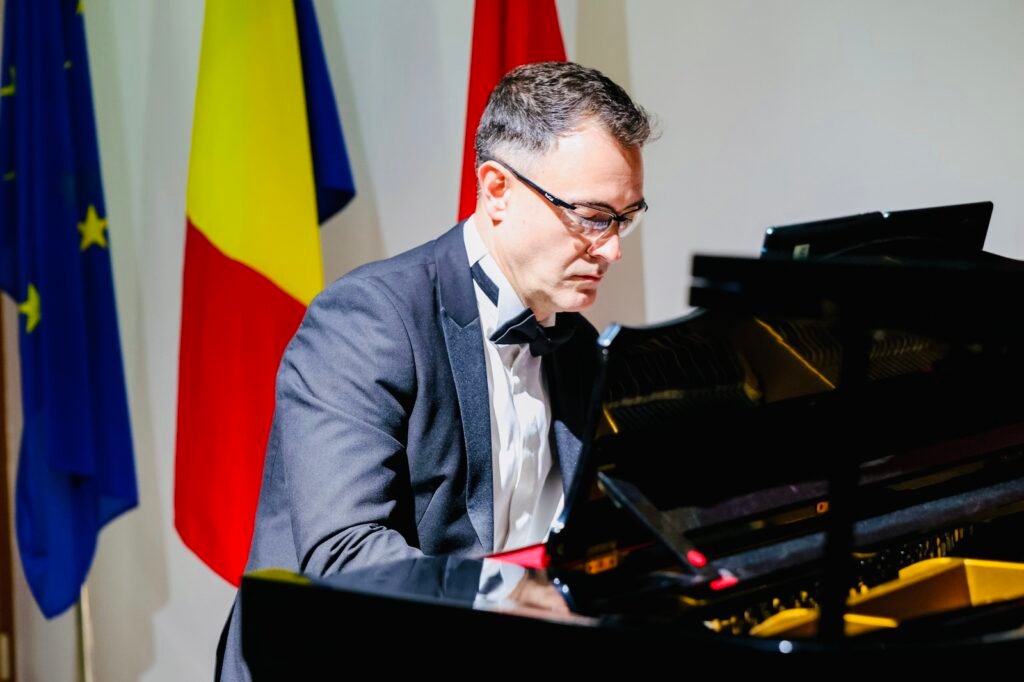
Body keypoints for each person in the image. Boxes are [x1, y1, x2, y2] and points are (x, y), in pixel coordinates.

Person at [217, 60, 652, 679]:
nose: (612, 249)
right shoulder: (369, 320)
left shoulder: (580, 347)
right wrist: (523, 598)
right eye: (591, 216)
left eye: (625, 218)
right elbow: (345, 556)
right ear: (497, 190)